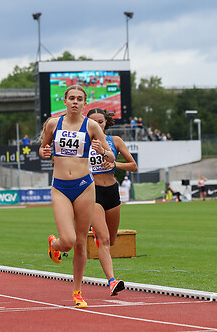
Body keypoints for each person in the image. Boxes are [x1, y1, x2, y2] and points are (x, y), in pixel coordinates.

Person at [39, 85, 115, 308]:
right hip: (60, 187)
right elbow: (44, 149)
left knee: (81, 242)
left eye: (79, 99)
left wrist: (101, 150)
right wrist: (43, 151)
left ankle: (77, 292)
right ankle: (55, 244)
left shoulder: (91, 126)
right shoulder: (53, 123)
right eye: (71, 98)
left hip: (84, 186)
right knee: (69, 241)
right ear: (64, 101)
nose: (75, 102)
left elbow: (110, 154)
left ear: (84, 102)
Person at [86, 108, 137, 297]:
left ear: (105, 123)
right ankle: (112, 281)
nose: (97, 125)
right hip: (92, 192)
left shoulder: (114, 141)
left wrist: (115, 164)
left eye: (100, 121)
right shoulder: (82, 143)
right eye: (93, 121)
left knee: (111, 240)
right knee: (105, 239)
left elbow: (133, 166)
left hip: (112, 192)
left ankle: (98, 233)